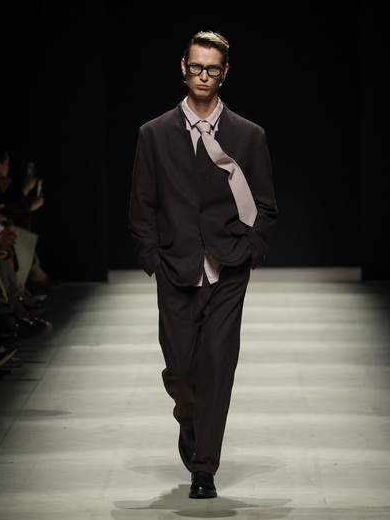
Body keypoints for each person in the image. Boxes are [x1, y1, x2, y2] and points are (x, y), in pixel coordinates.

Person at [129, 30, 277, 499]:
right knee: (179, 370)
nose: (203, 76)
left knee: (217, 366)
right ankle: (188, 420)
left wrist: (250, 251)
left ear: (225, 72)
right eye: (196, 66)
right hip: (175, 266)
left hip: (229, 267)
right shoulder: (153, 134)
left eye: (212, 68)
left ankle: (204, 468)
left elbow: (266, 205)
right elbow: (142, 204)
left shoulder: (248, 136)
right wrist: (153, 257)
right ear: (183, 67)